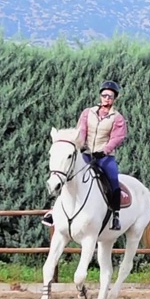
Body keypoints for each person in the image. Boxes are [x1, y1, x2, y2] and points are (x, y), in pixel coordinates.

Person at [42, 80, 128, 231]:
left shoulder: (117, 118)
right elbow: (81, 130)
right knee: (67, 176)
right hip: (86, 154)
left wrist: (104, 150)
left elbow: (117, 137)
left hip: (104, 157)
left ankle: (115, 215)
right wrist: (80, 145)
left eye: (110, 96)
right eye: (104, 95)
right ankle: (54, 212)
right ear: (100, 96)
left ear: (115, 99)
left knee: (113, 180)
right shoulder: (88, 113)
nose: (107, 98)